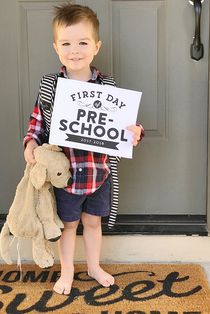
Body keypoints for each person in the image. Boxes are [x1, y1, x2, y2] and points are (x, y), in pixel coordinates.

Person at [23, 4, 144, 295]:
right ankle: (66, 271)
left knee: (92, 223)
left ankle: (93, 265)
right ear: (56, 48)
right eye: (66, 43)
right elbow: (37, 121)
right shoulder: (51, 86)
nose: (74, 50)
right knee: (68, 225)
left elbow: (121, 122)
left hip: (98, 174)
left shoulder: (108, 86)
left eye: (82, 42)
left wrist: (135, 133)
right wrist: (30, 143)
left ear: (96, 47)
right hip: (67, 176)